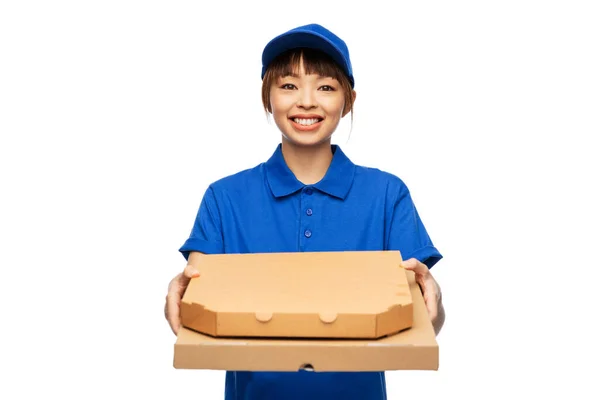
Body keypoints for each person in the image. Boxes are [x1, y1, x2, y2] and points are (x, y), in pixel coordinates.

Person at [164, 23, 445, 400]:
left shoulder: (386, 194)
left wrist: (435, 305)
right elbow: (199, 308)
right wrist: (179, 300)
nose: (307, 101)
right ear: (267, 98)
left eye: (325, 87)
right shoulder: (225, 198)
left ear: (349, 100)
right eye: (288, 85)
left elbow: (421, 320)